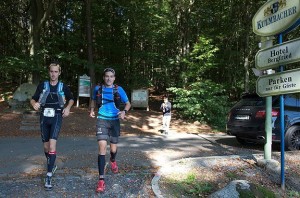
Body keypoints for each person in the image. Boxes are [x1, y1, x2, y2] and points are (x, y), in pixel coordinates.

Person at [30, 61, 74, 191]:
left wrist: (68, 108)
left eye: (56, 71)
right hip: (44, 117)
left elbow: (71, 98)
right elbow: (33, 98)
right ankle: (52, 164)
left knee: (52, 145)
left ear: (59, 73)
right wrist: (34, 104)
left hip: (57, 117)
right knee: (45, 147)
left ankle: (48, 175)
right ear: (49, 72)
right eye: (51, 71)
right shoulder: (43, 85)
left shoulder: (62, 86)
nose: (53, 74)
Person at [89, 68, 131, 193]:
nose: (109, 78)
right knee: (102, 147)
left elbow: (128, 103)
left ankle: (113, 160)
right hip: (102, 120)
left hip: (115, 121)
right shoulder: (98, 89)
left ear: (114, 78)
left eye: (111, 76)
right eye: (107, 76)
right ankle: (101, 180)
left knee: (113, 149)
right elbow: (92, 99)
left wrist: (124, 111)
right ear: (103, 77)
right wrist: (91, 109)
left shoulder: (119, 89)